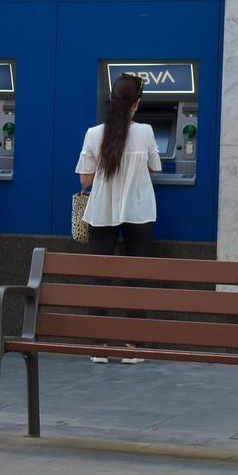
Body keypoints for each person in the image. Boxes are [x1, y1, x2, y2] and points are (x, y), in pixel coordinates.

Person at [75, 73, 160, 365]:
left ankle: (99, 345)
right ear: (137, 104)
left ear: (112, 100)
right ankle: (132, 345)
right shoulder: (147, 132)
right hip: (139, 209)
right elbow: (154, 168)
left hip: (103, 210)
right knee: (137, 275)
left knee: (100, 274)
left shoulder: (93, 133)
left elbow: (85, 179)